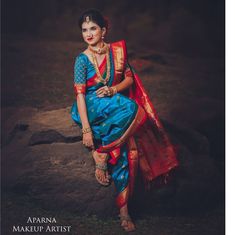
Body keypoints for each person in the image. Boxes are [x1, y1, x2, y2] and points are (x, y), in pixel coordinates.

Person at [71, 9, 178, 232]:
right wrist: (87, 130)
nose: (88, 34)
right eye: (84, 30)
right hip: (91, 106)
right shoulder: (81, 60)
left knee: (129, 151)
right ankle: (105, 154)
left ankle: (123, 209)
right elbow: (80, 95)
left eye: (93, 29)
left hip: (113, 102)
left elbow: (128, 79)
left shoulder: (116, 52)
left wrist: (112, 90)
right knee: (135, 111)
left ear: (103, 30)